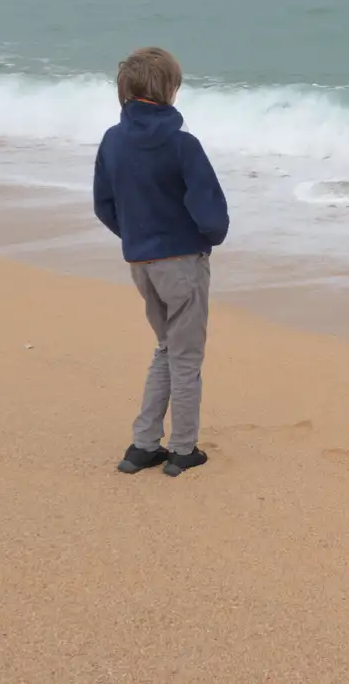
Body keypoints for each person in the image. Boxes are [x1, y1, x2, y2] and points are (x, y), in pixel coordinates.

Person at [93, 47, 229, 477]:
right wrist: (208, 238)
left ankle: (142, 445)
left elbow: (104, 205)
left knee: (166, 349)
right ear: (171, 88)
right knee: (185, 356)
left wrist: (136, 237)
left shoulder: (113, 140)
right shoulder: (181, 144)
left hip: (141, 262)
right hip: (182, 262)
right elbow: (211, 213)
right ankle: (182, 449)